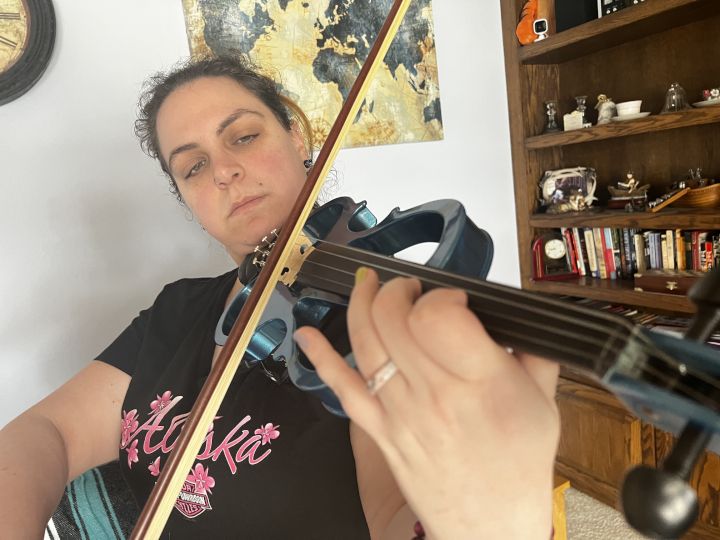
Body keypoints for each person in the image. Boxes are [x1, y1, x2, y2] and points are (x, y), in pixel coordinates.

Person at [0, 55, 560, 539]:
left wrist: (489, 520)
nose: (224, 171)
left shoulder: (376, 324)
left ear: (296, 137)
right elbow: (48, 433)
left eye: (243, 137)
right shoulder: (177, 310)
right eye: (193, 167)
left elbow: (395, 516)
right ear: (187, 198)